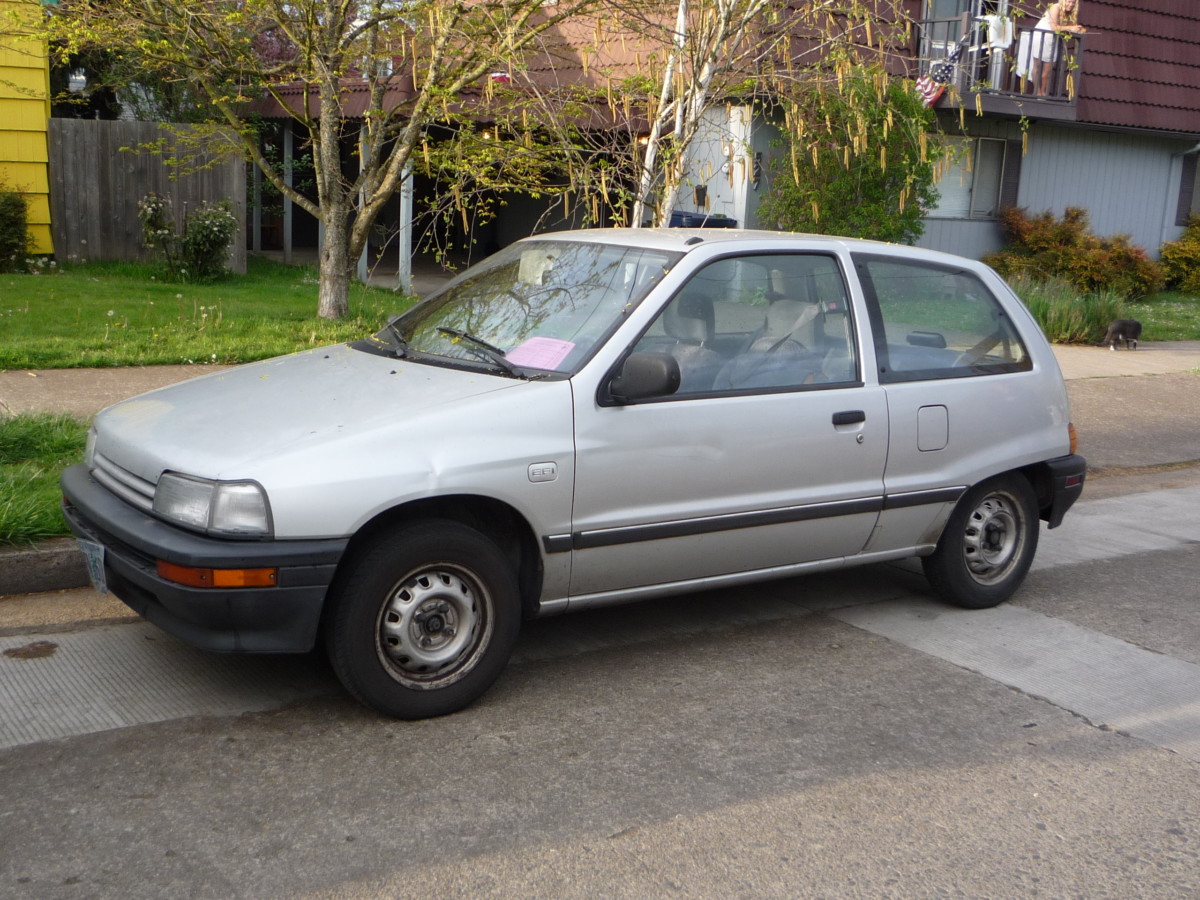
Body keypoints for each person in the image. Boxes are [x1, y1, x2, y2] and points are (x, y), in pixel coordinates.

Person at [1017, 0, 1087, 96]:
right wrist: (1070, 28)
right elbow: (1054, 27)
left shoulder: (1068, 12)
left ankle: (1043, 92)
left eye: (1073, 3)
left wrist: (1078, 29)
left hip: (1052, 39)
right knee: (1037, 65)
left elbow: (1067, 27)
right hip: (1041, 36)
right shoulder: (1056, 7)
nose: (1070, 4)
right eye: (1069, 2)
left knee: (1048, 69)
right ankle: (1038, 91)